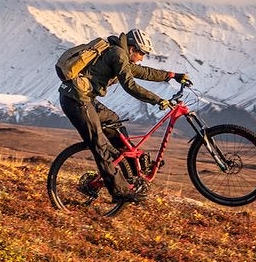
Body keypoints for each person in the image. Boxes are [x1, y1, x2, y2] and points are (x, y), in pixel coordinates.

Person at [55, 27, 191, 194]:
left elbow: (144, 72)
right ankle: (121, 191)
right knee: (100, 146)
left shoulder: (120, 55)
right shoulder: (117, 54)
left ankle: (132, 168)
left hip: (84, 99)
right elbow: (130, 85)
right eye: (142, 53)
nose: (142, 59)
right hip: (76, 101)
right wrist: (157, 100)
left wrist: (172, 75)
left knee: (115, 124)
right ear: (132, 48)